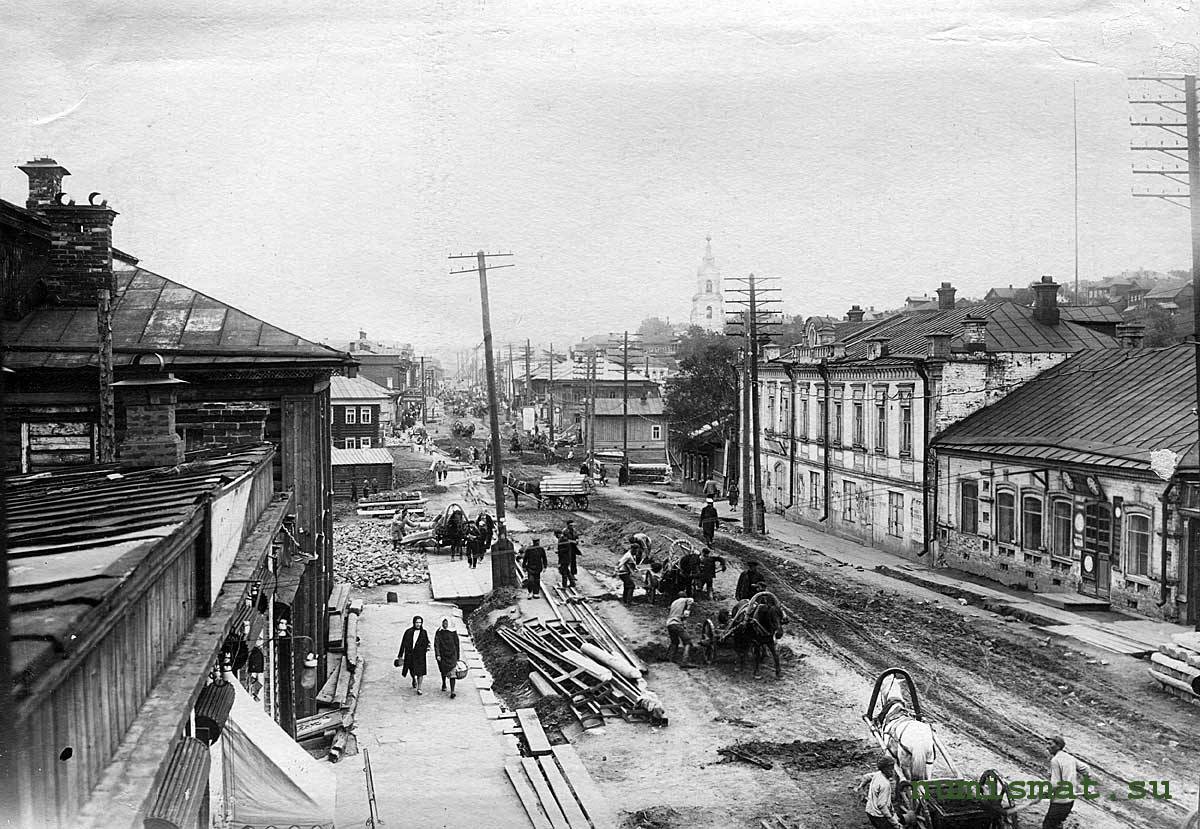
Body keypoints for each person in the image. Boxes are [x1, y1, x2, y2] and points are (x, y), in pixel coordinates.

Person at [1006, 736, 1093, 828]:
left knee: (1048, 826)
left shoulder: (1055, 761)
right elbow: (1086, 769)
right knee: (1056, 824)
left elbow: (1055, 784)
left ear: (1058, 746)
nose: (1047, 747)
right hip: (1069, 801)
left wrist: (1042, 794)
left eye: (1050, 744)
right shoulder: (1069, 757)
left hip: (1060, 802)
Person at [855, 756, 902, 829]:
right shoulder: (885, 784)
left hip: (869, 811)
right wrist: (894, 823)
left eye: (893, 768)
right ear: (884, 769)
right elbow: (882, 806)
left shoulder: (878, 774)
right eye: (890, 768)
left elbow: (866, 777)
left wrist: (861, 787)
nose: (893, 771)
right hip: (879, 816)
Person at [394, 616, 430, 695]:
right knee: (412, 670)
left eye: (420, 622)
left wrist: (427, 647)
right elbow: (403, 643)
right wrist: (400, 655)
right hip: (410, 654)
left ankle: (419, 688)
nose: (418, 624)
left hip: (420, 655)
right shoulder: (408, 632)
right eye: (417, 622)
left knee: (420, 672)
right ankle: (413, 678)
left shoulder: (424, 632)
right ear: (414, 623)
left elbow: (427, 642)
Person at [665, 596, 698, 668]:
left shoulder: (674, 602)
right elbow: (689, 603)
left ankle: (670, 658)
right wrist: (687, 612)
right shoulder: (686, 600)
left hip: (669, 623)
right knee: (688, 641)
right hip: (676, 623)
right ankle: (685, 662)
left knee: (675, 642)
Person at [434, 618, 462, 698]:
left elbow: (457, 644)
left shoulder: (453, 632)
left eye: (446, 623)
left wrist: (457, 656)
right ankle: (444, 683)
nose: (445, 625)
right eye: (443, 623)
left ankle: (452, 691)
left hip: (452, 655)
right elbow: (436, 643)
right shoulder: (439, 632)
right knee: (443, 671)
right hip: (443, 655)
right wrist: (438, 654)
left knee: (452, 672)